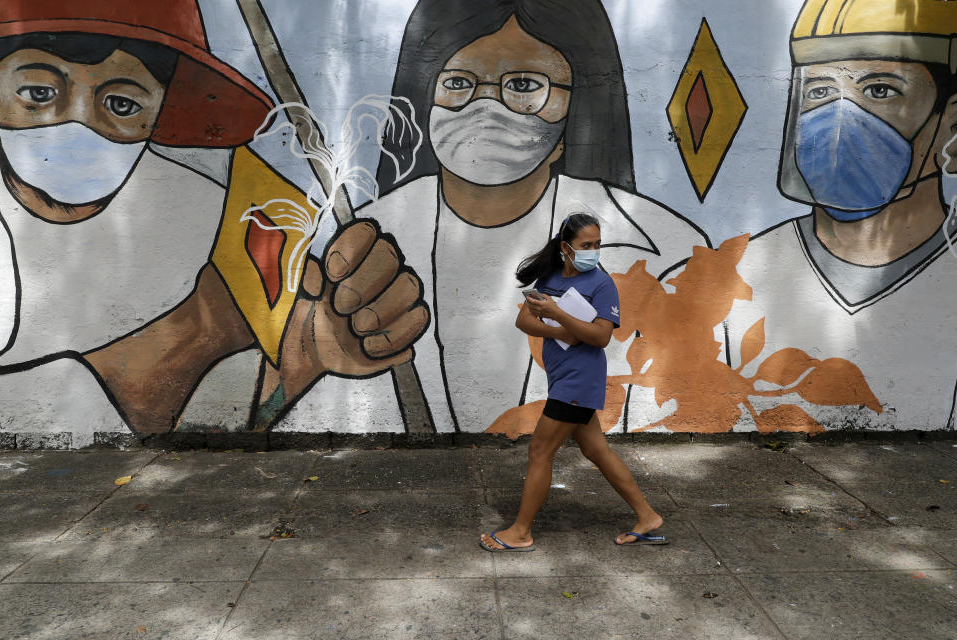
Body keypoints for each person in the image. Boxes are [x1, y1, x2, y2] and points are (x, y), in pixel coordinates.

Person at [0, 1, 428, 445]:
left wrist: (302, 358)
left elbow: (245, 382)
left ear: (162, 109)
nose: (79, 123)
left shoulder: (217, 207)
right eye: (38, 94)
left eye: (121, 104)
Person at [291, 0, 707, 435]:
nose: (486, 107)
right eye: (457, 82)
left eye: (524, 84)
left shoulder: (666, 248)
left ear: (580, 107)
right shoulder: (365, 246)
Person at [719, 0, 957, 432]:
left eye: (880, 90)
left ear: (952, 125)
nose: (840, 120)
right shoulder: (726, 283)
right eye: (820, 92)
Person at [479, 213, 667, 551]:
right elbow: (525, 319)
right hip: (562, 378)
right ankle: (647, 515)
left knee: (539, 450)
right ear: (566, 248)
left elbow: (600, 337)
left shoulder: (601, 283)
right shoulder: (551, 278)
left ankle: (521, 531)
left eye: (597, 245)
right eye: (586, 245)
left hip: (578, 382)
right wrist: (561, 330)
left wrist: (559, 315)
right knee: (596, 449)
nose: (593, 251)